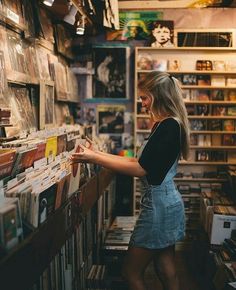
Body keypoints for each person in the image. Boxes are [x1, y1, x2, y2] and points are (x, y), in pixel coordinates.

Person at [70, 71, 190, 290]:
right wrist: (99, 154)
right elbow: (139, 161)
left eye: (144, 98)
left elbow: (140, 169)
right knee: (166, 268)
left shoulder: (168, 126)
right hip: (166, 204)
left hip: (158, 208)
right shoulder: (167, 124)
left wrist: (95, 157)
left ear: (157, 96)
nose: (142, 103)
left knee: (130, 272)